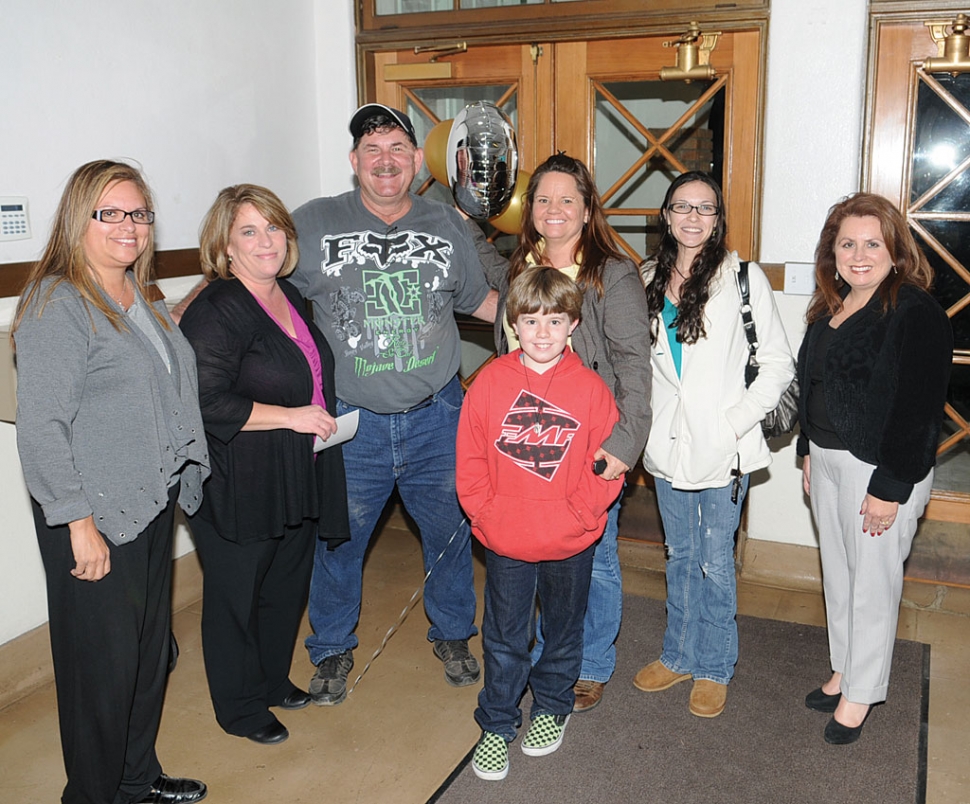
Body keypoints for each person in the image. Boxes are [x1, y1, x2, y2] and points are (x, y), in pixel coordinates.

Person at [11, 160, 210, 804]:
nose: (129, 227)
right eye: (111, 213)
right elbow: (40, 429)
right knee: (100, 677)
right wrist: (77, 523)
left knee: (146, 659)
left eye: (140, 213)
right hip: (92, 520)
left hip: (146, 505)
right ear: (78, 220)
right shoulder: (58, 305)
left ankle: (134, 780)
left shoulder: (135, 294)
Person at [289, 104, 499, 703]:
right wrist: (195, 309)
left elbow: (482, 301)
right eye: (372, 149)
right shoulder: (313, 223)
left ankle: (455, 633)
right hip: (352, 425)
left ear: (415, 161)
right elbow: (260, 286)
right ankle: (330, 649)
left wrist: (553, 327)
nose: (386, 160)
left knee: (451, 535)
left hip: (438, 417)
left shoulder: (446, 224)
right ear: (355, 162)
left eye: (398, 148)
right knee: (339, 543)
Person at [470, 153, 652, 712]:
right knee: (523, 565)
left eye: (567, 199)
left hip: (587, 445)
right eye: (543, 199)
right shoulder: (517, 266)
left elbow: (634, 368)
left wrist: (622, 448)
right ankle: (529, 668)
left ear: (587, 208)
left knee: (590, 560)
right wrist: (466, 206)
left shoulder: (612, 272)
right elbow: (474, 254)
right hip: (523, 444)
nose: (554, 209)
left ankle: (587, 665)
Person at [179, 185, 351, 745]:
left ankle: (272, 680)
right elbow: (203, 402)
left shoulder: (290, 296)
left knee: (283, 586)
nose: (266, 241)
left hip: (295, 470)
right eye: (249, 232)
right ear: (225, 247)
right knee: (235, 600)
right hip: (239, 479)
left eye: (273, 227)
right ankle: (239, 707)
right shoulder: (217, 309)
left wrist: (309, 419)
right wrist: (291, 416)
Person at [634, 171, 794, 718]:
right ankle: (678, 655)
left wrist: (736, 422)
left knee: (715, 562)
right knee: (679, 555)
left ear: (718, 218)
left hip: (724, 448)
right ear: (667, 215)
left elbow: (777, 364)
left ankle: (714, 665)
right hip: (668, 446)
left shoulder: (742, 277)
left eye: (705, 208)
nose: (693, 218)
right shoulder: (647, 275)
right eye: (683, 207)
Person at [456, 266, 623, 780]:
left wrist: (579, 515)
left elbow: (606, 468)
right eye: (530, 322)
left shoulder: (592, 389)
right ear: (513, 325)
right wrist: (486, 514)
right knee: (505, 636)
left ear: (573, 323)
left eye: (554, 321)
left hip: (571, 539)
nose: (542, 333)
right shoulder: (490, 382)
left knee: (563, 630)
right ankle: (497, 722)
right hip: (506, 538)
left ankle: (552, 706)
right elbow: (470, 459)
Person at [796, 193, 952, 744]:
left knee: (872, 585)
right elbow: (813, 386)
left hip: (881, 470)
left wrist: (890, 487)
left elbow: (919, 409)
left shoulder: (915, 311)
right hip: (831, 462)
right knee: (839, 577)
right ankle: (844, 668)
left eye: (872, 243)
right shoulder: (831, 306)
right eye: (847, 243)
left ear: (895, 250)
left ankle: (862, 693)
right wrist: (807, 451)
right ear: (831, 251)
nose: (859, 254)